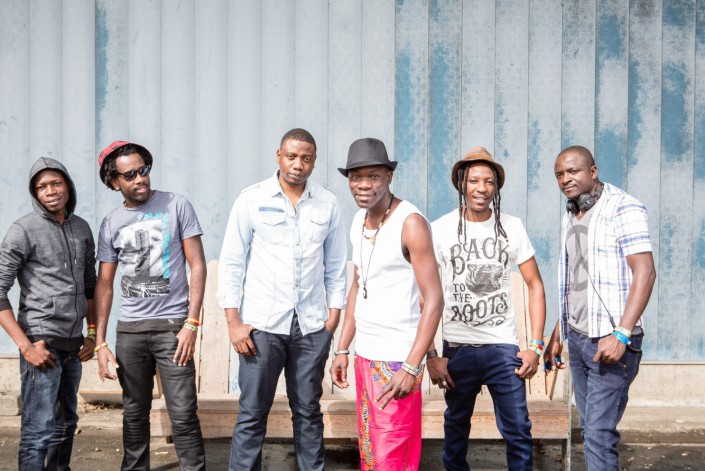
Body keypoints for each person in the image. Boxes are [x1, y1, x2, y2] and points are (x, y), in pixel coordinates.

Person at [217, 128, 347, 471]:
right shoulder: (252, 199)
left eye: (306, 158)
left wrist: (332, 318)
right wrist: (233, 322)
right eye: (291, 156)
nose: (297, 165)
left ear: (314, 162)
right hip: (261, 326)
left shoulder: (327, 202)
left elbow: (336, 265)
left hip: (311, 327)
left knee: (308, 411)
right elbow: (231, 262)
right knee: (252, 412)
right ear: (279, 155)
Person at [425, 147, 546, 471]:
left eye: (489, 181)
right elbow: (424, 294)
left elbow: (535, 284)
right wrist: (431, 354)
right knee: (455, 430)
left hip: (502, 347)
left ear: (497, 186)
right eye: (474, 180)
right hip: (457, 347)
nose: (482, 188)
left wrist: (535, 346)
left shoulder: (511, 227)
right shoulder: (440, 229)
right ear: (462, 184)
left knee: (518, 429)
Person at [330, 138, 444, 471]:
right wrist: (343, 348)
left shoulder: (411, 223)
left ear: (389, 177)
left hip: (397, 358)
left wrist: (412, 366)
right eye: (356, 177)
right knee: (371, 450)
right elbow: (358, 284)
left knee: (390, 455)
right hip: (365, 354)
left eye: (373, 176)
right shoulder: (358, 220)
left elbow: (434, 299)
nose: (363, 184)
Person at [94, 141, 207, 470]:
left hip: (173, 330)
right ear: (114, 182)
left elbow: (197, 265)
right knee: (134, 414)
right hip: (130, 333)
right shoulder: (111, 222)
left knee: (183, 413)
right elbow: (104, 284)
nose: (140, 178)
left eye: (143, 170)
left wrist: (191, 323)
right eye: (130, 174)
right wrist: (100, 343)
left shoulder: (176, 205)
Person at [545, 145, 656, 470]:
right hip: (579, 340)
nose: (566, 179)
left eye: (573, 171)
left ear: (593, 172)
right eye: (559, 175)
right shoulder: (572, 213)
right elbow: (576, 281)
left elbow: (645, 272)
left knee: (598, 434)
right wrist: (559, 332)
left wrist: (622, 334)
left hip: (611, 341)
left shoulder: (623, 207)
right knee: (590, 430)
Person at [0, 157, 97, 470]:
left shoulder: (81, 228)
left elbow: (90, 286)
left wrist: (92, 334)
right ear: (35, 193)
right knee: (38, 431)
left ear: (68, 185)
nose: (51, 191)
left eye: (56, 183)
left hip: (74, 346)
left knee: (66, 425)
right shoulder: (23, 230)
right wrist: (25, 346)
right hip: (41, 344)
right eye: (42, 187)